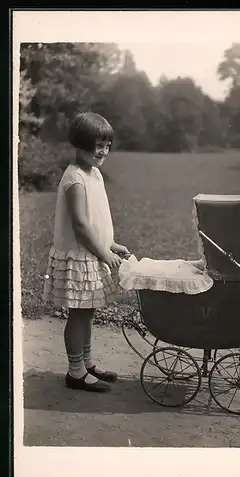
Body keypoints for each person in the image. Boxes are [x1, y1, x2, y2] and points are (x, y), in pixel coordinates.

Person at [43, 111, 130, 392]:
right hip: (80, 256)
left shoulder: (95, 175)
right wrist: (105, 254)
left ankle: (87, 362)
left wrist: (111, 244)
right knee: (79, 314)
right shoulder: (75, 179)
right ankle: (75, 371)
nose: (103, 151)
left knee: (87, 311)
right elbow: (80, 225)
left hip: (91, 252)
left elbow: (97, 218)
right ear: (80, 145)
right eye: (97, 145)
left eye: (107, 145)